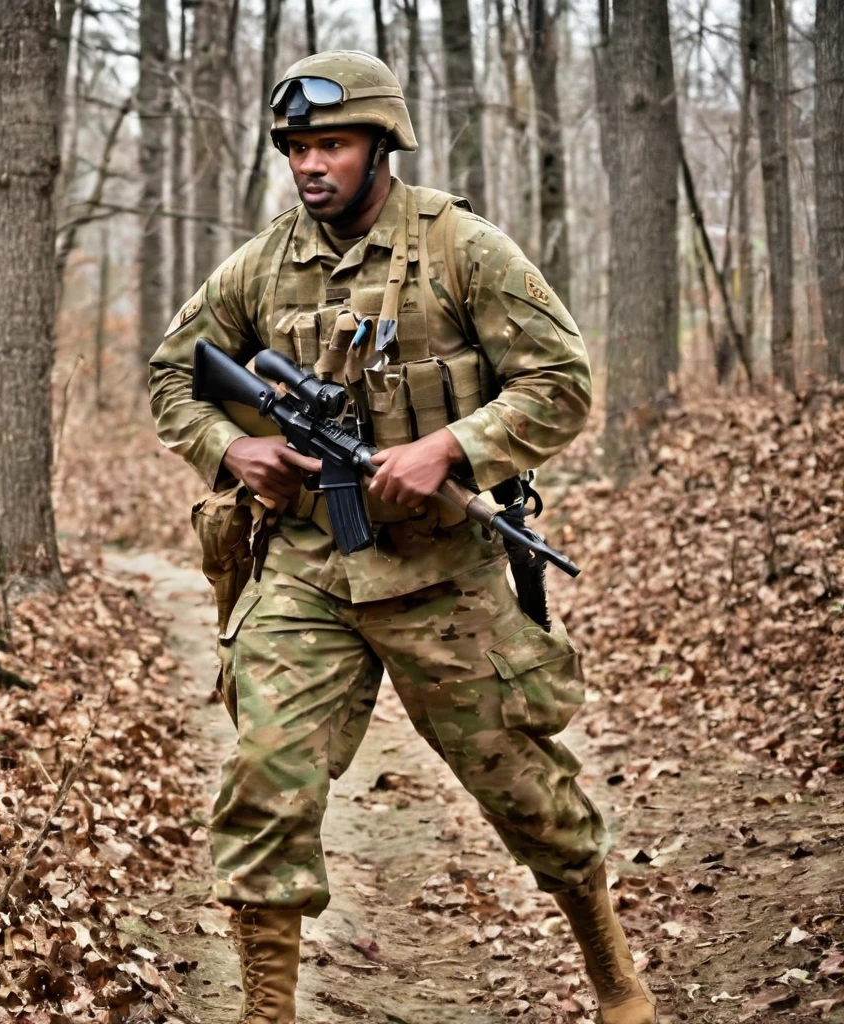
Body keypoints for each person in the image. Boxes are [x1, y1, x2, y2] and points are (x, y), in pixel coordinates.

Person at [148, 50, 656, 1024]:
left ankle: (615, 980)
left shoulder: (462, 249)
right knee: (267, 778)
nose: (309, 165)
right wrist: (231, 450)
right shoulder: (262, 264)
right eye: (296, 147)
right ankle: (267, 1010)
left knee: (527, 791)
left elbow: (561, 383)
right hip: (304, 565)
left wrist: (453, 446)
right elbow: (177, 375)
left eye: (330, 144)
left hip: (439, 566)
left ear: (381, 145)